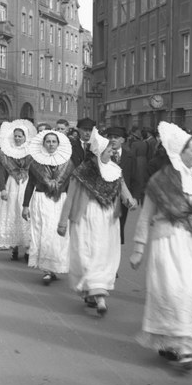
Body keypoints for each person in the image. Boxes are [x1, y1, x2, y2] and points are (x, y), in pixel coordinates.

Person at [130, 122, 192, 370]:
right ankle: (183, 348)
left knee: (185, 293)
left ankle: (170, 342)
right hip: (167, 240)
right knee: (173, 292)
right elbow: (145, 216)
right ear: (178, 152)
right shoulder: (159, 182)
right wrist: (139, 247)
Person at [59, 127, 137, 314]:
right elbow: (70, 197)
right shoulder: (83, 171)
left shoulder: (115, 169)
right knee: (87, 253)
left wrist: (130, 201)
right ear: (99, 152)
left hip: (108, 218)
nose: (112, 152)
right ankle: (96, 293)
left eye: (111, 150)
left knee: (104, 254)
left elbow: (122, 187)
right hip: (86, 217)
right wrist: (62, 222)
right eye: (109, 150)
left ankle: (96, 293)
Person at [22, 129, 74, 284]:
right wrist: (25, 205)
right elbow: (30, 184)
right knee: (42, 232)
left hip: (60, 201)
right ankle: (46, 269)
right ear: (43, 144)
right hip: (41, 199)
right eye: (48, 141)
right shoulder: (35, 163)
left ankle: (55, 266)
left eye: (53, 141)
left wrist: (72, 205)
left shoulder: (67, 163)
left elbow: (72, 186)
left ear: (58, 144)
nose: (51, 144)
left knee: (57, 234)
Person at [0, 120, 36, 260]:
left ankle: (28, 249)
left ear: (25, 137)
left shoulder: (31, 152)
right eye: (15, 136)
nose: (17, 138)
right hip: (12, 185)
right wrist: (3, 189)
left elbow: (35, 172)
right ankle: (15, 246)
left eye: (20, 136)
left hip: (27, 184)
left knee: (26, 214)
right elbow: (2, 172)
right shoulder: (7, 152)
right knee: (12, 213)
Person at [106, 125, 136, 244]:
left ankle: (117, 242)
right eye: (110, 137)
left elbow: (135, 176)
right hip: (106, 196)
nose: (112, 140)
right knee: (106, 222)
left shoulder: (129, 155)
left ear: (122, 140)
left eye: (116, 137)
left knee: (121, 221)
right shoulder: (103, 155)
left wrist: (135, 196)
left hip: (124, 196)